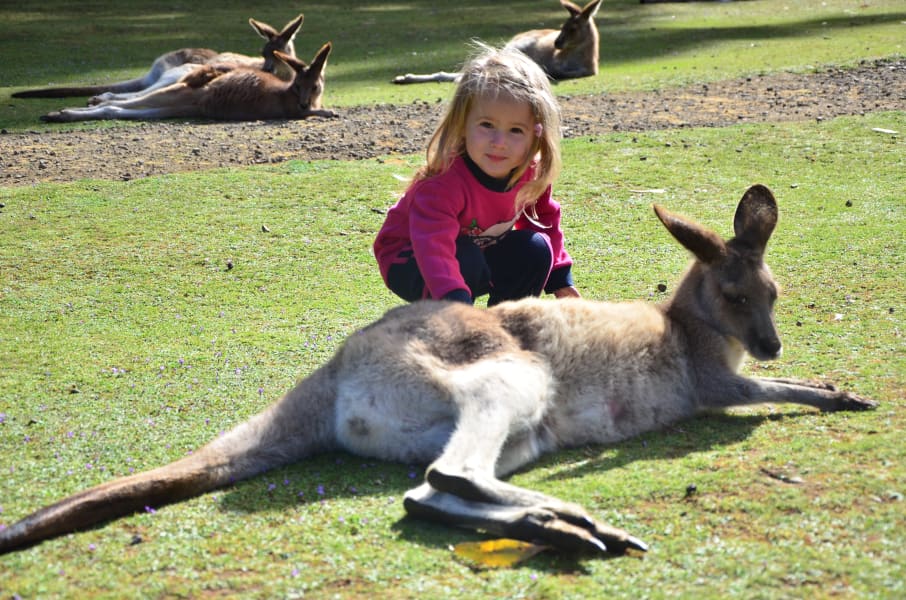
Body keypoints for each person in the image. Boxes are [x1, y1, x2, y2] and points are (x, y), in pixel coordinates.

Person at [373, 44, 581, 306]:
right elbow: (434, 247)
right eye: (487, 125)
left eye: (516, 130)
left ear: (536, 135)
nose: (499, 141)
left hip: (472, 252)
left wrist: (560, 278)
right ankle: (456, 328)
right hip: (409, 257)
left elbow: (544, 221)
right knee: (465, 259)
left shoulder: (530, 172)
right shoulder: (444, 183)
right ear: (462, 124)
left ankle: (505, 327)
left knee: (534, 249)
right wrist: (457, 306)